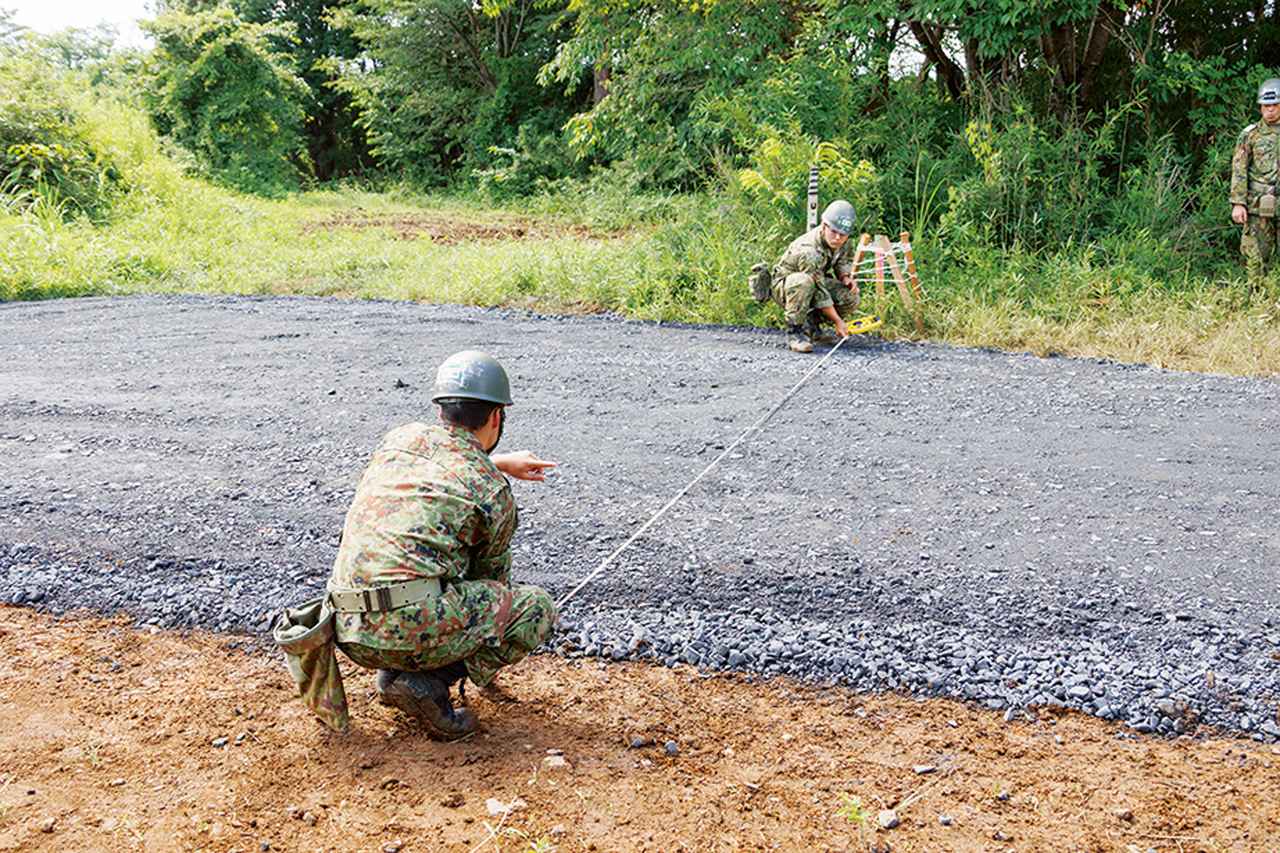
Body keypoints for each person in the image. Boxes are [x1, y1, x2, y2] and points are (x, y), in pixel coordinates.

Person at [326, 350, 558, 738]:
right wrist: (494, 470)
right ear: (497, 417)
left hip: (346, 628)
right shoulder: (490, 490)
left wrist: (497, 461)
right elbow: (493, 584)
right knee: (533, 608)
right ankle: (429, 683)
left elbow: (440, 461)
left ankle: (402, 670)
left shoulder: (399, 440)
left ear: (440, 411)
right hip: (403, 632)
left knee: (425, 585)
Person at [771, 199, 861, 353]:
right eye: (834, 232)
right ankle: (796, 333)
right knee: (804, 282)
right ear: (824, 226)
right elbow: (819, 291)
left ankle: (812, 327)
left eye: (843, 234)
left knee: (850, 297)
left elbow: (843, 260)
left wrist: (845, 277)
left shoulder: (842, 240)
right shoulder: (810, 250)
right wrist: (838, 321)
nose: (838, 238)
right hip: (788, 286)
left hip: (815, 282)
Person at [1230, 78, 1280, 288]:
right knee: (1256, 256)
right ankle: (1257, 299)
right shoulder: (1250, 135)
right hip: (1259, 205)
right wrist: (1238, 203)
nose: (1270, 110)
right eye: (1265, 106)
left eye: (1274, 105)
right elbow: (1239, 169)